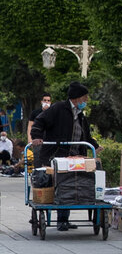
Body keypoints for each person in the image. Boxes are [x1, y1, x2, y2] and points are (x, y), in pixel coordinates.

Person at [31, 81, 102, 231]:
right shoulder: (58, 108)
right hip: (58, 155)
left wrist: (95, 146)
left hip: (76, 157)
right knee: (63, 184)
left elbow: (86, 136)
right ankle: (62, 220)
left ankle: (65, 219)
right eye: (85, 97)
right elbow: (39, 121)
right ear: (77, 98)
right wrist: (36, 136)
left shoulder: (81, 116)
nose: (86, 100)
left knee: (72, 184)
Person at [27, 93, 52, 166]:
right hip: (37, 140)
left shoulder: (53, 112)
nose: (46, 102)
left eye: (48, 100)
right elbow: (30, 126)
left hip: (50, 141)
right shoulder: (35, 113)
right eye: (45, 100)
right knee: (37, 160)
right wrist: (29, 139)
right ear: (41, 101)